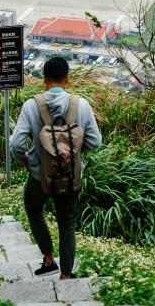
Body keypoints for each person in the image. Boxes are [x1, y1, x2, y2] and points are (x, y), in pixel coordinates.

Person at [10, 57, 102, 279]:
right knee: (67, 223)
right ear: (67, 79)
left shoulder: (32, 105)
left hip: (39, 177)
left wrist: (27, 160)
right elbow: (95, 142)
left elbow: (16, 144)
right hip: (71, 177)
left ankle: (49, 258)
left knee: (33, 208)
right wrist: (74, 153)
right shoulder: (82, 105)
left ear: (44, 80)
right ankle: (66, 275)